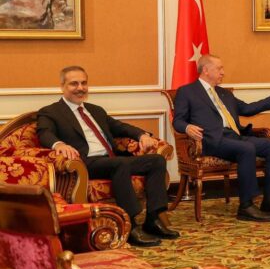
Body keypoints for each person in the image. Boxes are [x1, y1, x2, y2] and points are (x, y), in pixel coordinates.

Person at [37, 66, 178, 247]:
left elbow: (120, 127)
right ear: (62, 86)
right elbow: (44, 133)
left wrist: (141, 135)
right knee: (120, 164)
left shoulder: (95, 110)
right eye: (74, 84)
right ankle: (130, 225)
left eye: (84, 83)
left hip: (111, 159)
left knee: (156, 160)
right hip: (86, 163)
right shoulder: (51, 112)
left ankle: (153, 218)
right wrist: (59, 145)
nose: (80, 88)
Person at [173, 54, 270, 222]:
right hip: (211, 140)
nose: (223, 72)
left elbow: (247, 109)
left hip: (234, 136)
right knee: (246, 149)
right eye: (219, 68)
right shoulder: (187, 92)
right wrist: (187, 127)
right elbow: (178, 120)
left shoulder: (224, 93)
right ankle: (246, 206)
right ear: (206, 70)